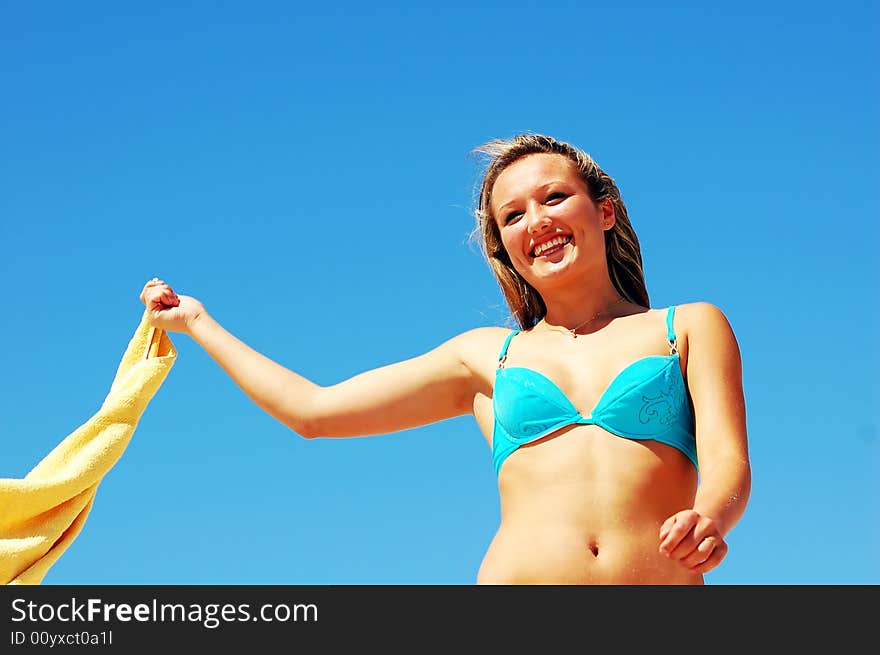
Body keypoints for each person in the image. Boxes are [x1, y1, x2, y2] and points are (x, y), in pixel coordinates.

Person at [140, 133, 751, 584]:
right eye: (513, 215)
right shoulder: (486, 357)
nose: (537, 221)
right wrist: (197, 323)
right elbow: (314, 411)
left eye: (555, 198)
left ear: (604, 211)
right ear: (505, 248)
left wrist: (710, 519)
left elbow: (727, 460)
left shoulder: (687, 327)